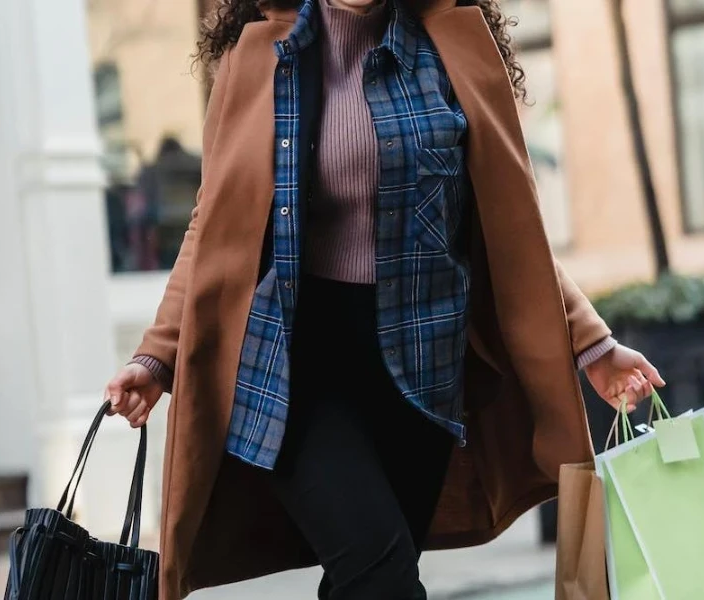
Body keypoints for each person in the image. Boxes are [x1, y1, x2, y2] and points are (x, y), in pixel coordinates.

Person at [104, 0, 665, 597]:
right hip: (295, 370)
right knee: (381, 571)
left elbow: (508, 229)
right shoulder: (256, 61)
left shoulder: (452, 53)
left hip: (420, 371)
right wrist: (155, 356)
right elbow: (211, 228)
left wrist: (594, 345)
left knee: (366, 580)